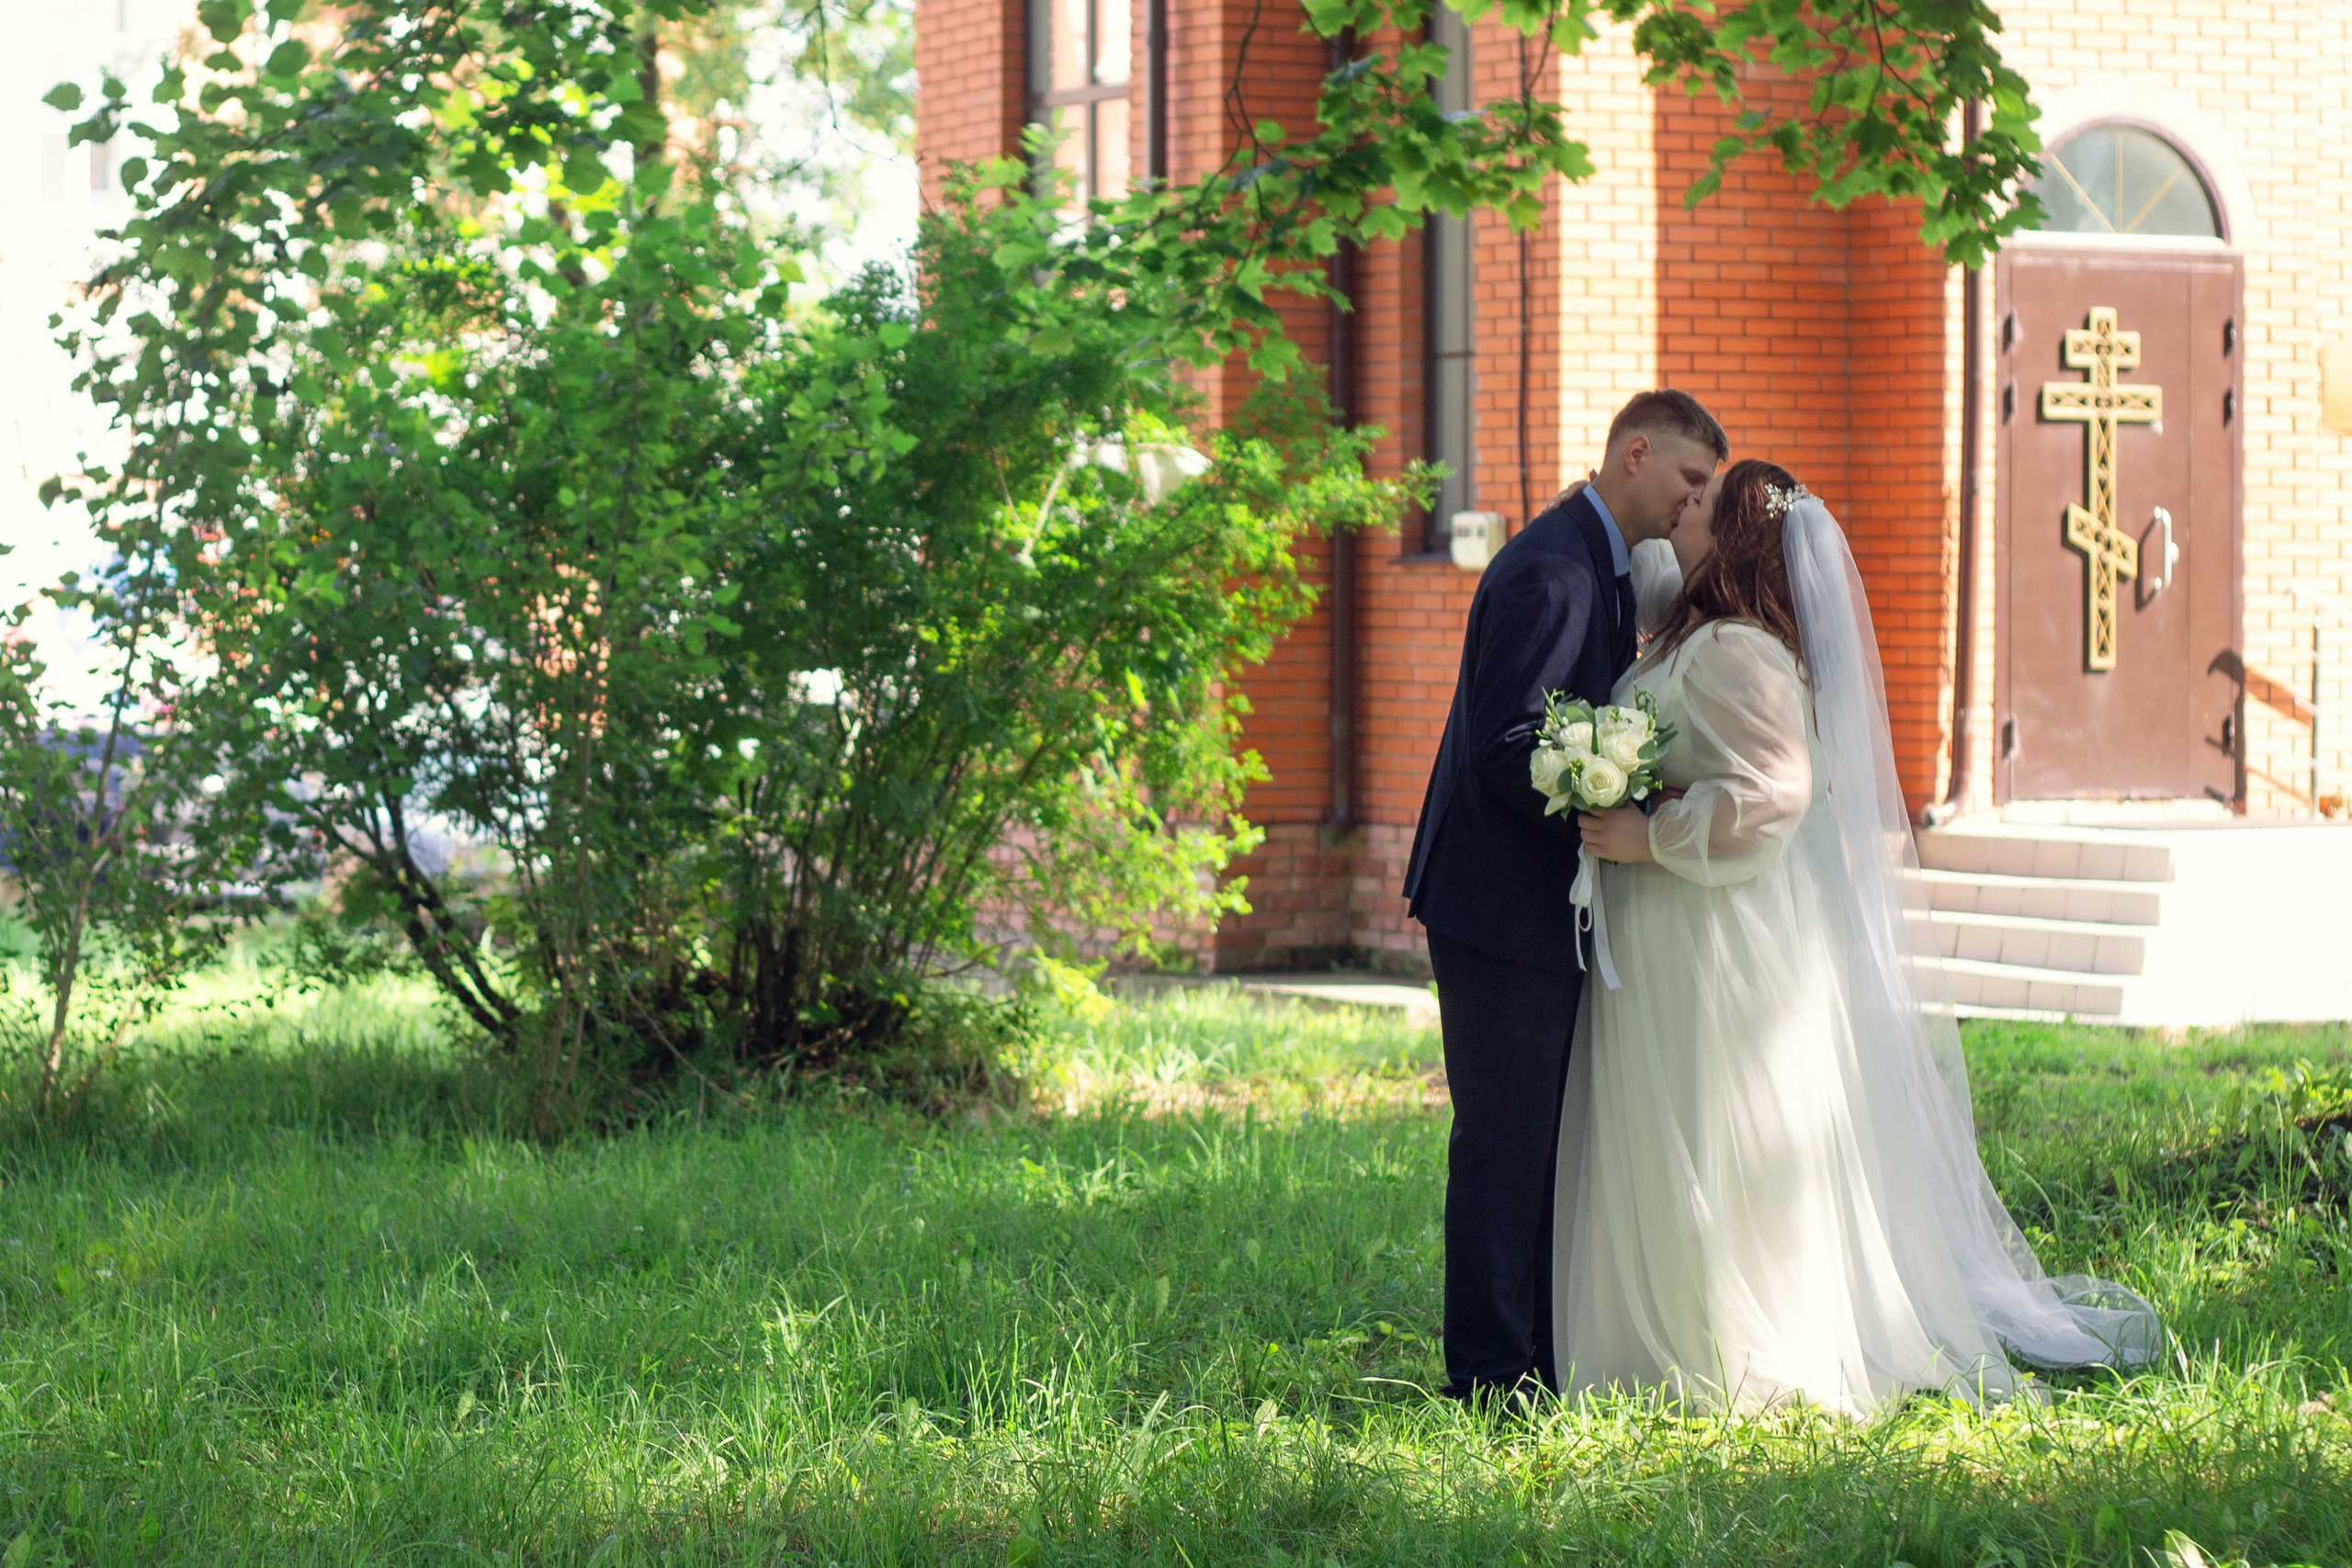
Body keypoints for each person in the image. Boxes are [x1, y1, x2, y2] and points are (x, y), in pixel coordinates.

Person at [1557, 460, 2162, 1412]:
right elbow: (1656, 576)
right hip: (1688, 924)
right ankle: (1669, 1337)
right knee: (1684, 1124)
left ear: (1738, 541)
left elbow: (1775, 795)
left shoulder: (1735, 650)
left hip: (1718, 935)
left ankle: (1738, 1342)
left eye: (1701, 506)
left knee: (1721, 1125)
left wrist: (1650, 832)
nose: (1683, 513)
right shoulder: (1701, 634)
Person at [1403, 389, 1728, 1403]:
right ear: (1635, 453)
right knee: (1503, 1144)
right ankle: (1490, 1377)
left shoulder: (1601, 559)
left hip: (1538, 902)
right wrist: (1623, 785)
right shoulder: (1552, 568)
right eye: (1688, 479)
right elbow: (1508, 746)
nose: (1693, 502)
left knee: (1539, 1141)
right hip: (1499, 906)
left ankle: (1534, 1353)